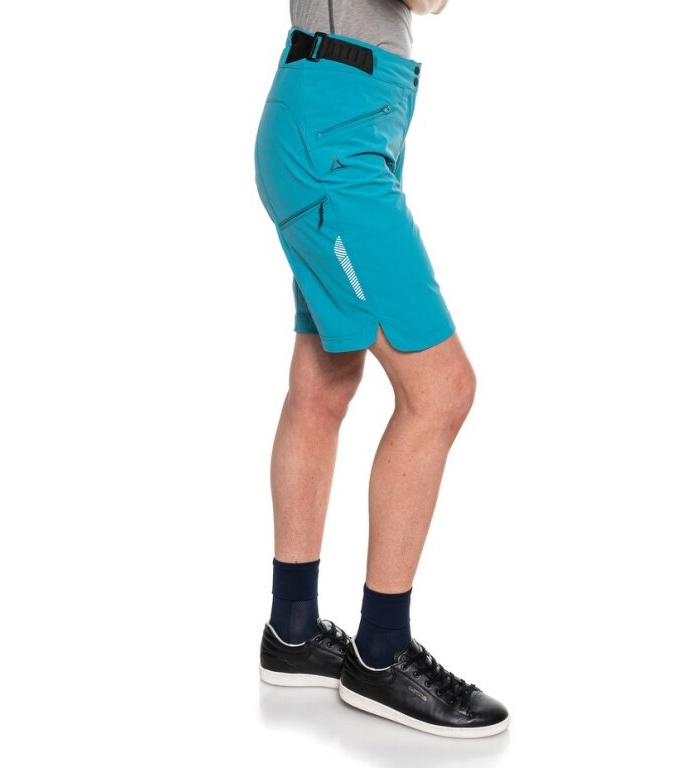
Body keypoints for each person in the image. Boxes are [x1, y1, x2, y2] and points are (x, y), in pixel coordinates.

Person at [254, 0, 510, 738]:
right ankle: (381, 654)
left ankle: (293, 632)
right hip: (335, 129)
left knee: (325, 381)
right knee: (442, 390)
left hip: (344, 112)